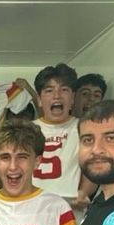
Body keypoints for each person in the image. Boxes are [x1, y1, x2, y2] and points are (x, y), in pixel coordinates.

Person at [31, 63, 97, 208]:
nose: (57, 96)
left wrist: (83, 192)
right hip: (32, 209)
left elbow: (93, 167)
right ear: (39, 99)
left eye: (64, 90)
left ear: (72, 98)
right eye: (49, 90)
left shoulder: (85, 129)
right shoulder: (26, 130)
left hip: (71, 209)